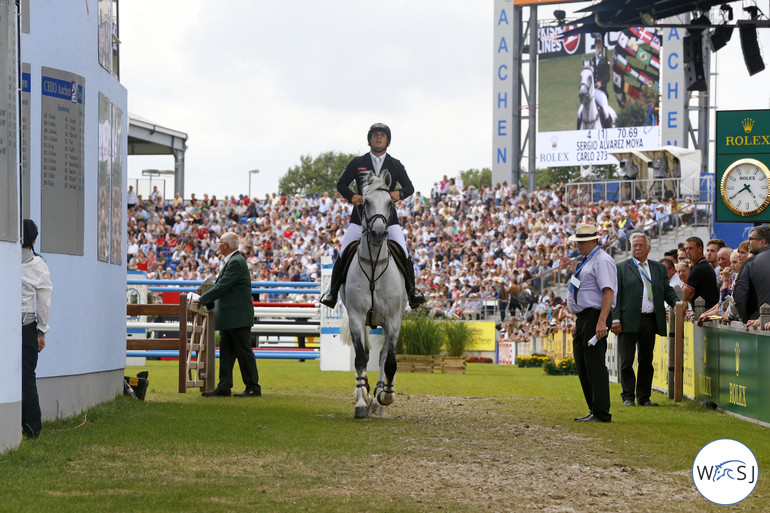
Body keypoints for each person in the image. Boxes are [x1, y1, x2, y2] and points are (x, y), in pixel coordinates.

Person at [320, 123, 425, 310]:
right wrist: (352, 196)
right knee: (343, 251)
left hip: (387, 219)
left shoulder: (395, 164)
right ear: (370, 139)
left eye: (382, 135)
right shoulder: (358, 162)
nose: (378, 138)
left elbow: (409, 187)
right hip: (360, 218)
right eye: (375, 135)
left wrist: (399, 194)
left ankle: (412, 291)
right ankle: (332, 292)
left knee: (403, 250)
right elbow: (341, 184)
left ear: (387, 140)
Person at [611, 233, 678, 407]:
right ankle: (627, 396)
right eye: (634, 245)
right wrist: (615, 318)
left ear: (648, 248)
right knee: (626, 360)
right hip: (627, 320)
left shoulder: (658, 269)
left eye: (641, 245)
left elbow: (666, 290)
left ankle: (643, 397)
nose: (637, 248)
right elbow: (615, 296)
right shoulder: (621, 268)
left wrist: (677, 303)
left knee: (646, 361)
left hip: (649, 319)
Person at [196, 232, 261, 397]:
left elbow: (222, 287)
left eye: (219, 243)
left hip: (237, 317)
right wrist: (207, 302)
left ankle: (253, 387)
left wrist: (203, 300)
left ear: (226, 245)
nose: (217, 246)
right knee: (226, 354)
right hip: (231, 317)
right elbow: (224, 289)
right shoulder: (233, 261)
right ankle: (224, 387)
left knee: (243, 353)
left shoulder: (236, 262)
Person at [566, 224, 616, 423]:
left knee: (595, 364)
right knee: (584, 364)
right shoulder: (587, 261)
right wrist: (578, 319)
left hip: (595, 315)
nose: (578, 245)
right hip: (585, 317)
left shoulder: (602, 260)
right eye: (577, 241)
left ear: (593, 240)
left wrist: (601, 321)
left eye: (582, 242)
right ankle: (594, 408)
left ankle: (601, 411)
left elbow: (608, 292)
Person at [21, 219, 53, 439]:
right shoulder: (38, 265)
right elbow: (43, 303)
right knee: (26, 378)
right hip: (25, 325)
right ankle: (32, 429)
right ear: (33, 240)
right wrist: (41, 331)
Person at [734, 225, 770, 323]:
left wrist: (746, 319)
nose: (748, 242)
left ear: (762, 242)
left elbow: (739, 296)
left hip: (757, 322)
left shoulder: (750, 262)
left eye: (751, 239)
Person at [683, 237, 719, 310]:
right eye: (686, 248)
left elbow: (683, 295)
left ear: (700, 249)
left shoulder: (700, 268)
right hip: (703, 311)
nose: (687, 251)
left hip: (704, 313)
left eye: (690, 248)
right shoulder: (702, 266)